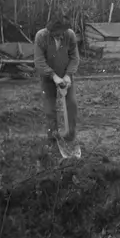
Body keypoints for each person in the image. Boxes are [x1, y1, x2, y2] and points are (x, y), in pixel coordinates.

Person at [34, 15, 80, 147]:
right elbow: (39, 61)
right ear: (50, 31)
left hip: (66, 77)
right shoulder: (41, 37)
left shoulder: (70, 35)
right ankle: (53, 138)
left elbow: (74, 57)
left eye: (63, 33)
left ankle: (70, 137)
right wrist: (53, 76)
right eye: (58, 34)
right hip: (48, 78)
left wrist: (68, 75)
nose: (61, 36)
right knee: (50, 109)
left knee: (72, 104)